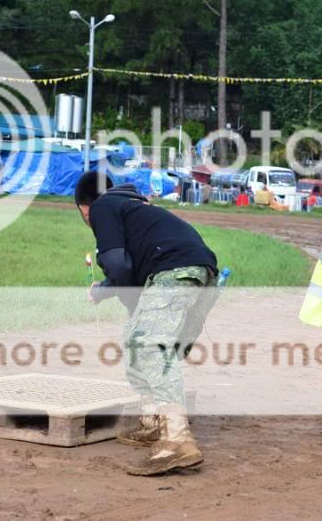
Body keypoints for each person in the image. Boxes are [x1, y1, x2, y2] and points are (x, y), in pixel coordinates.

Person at [75, 171, 219, 475]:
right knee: (140, 344)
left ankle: (178, 438)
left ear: (83, 209)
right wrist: (105, 290)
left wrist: (125, 297)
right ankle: (154, 421)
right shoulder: (136, 208)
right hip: (202, 275)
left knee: (149, 346)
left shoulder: (102, 206)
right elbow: (130, 266)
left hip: (174, 274)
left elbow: (117, 263)